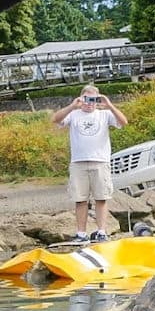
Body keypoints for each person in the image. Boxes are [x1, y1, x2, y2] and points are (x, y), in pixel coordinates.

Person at [51, 84, 128, 242]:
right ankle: (81, 233)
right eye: (86, 99)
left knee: (101, 198)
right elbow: (55, 119)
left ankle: (102, 232)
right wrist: (72, 106)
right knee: (80, 199)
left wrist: (109, 104)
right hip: (78, 162)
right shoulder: (74, 114)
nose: (89, 103)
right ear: (81, 98)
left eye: (93, 99)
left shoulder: (104, 114)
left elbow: (123, 122)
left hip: (100, 161)